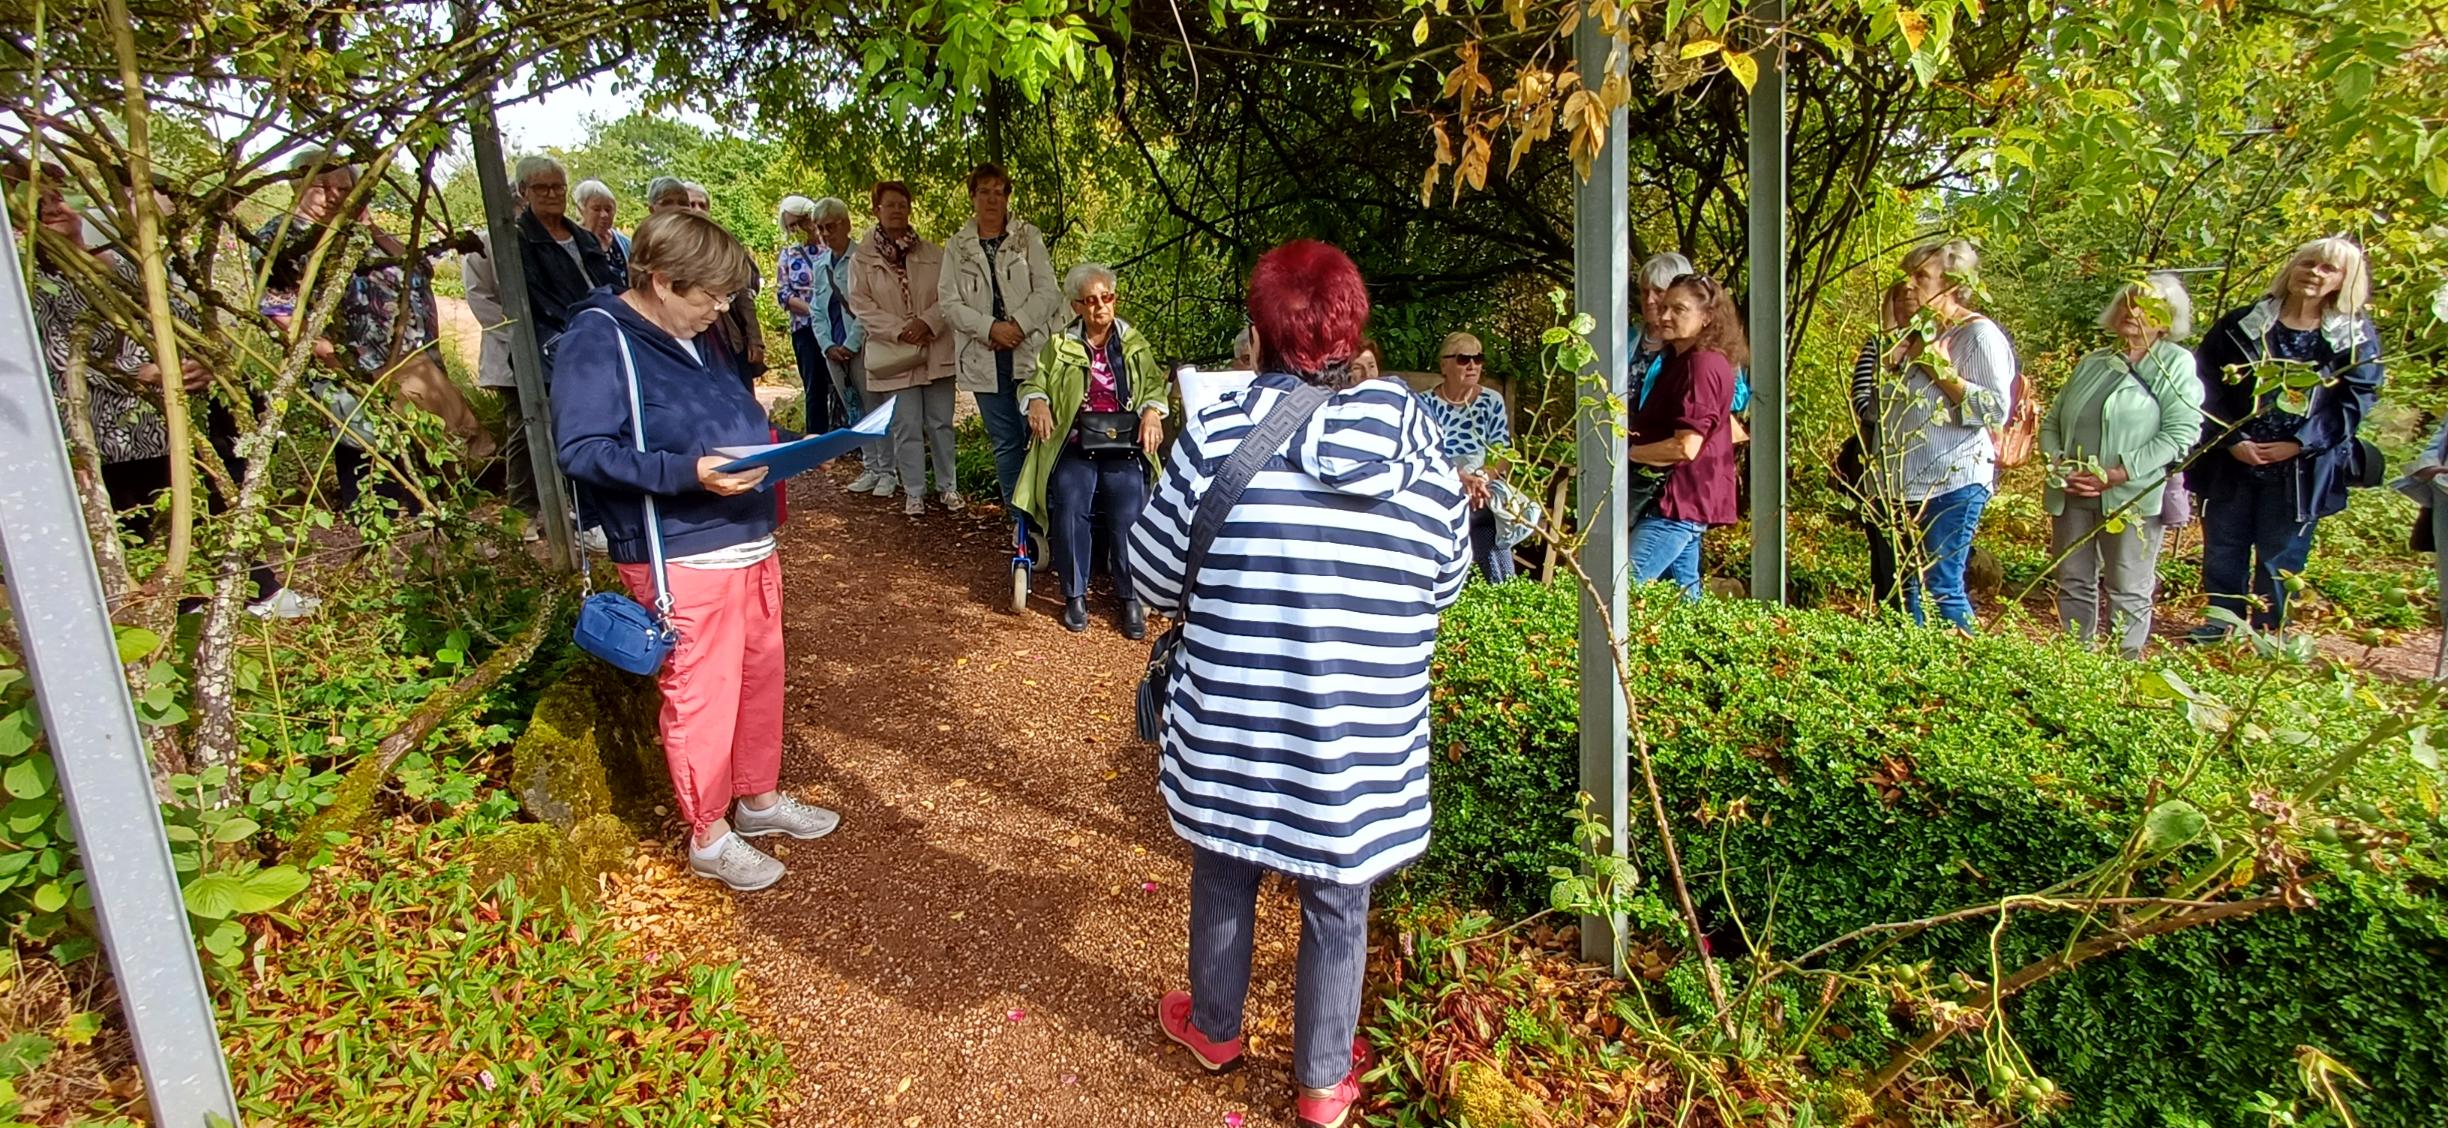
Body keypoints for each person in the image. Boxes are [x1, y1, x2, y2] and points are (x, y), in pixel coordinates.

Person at [1128, 240, 1470, 1128]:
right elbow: (1449, 582)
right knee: (1338, 890)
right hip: (1361, 728)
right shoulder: (1423, 450)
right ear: (1353, 334)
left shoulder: (1215, 432)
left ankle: (1214, 1028)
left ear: (1259, 335)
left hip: (1236, 717)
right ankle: (1321, 1083)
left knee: (1226, 861)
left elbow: (1153, 577)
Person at [551, 209, 839, 891]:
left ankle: (758, 799)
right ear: (659, 279)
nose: (718, 310)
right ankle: (708, 832)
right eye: (706, 296)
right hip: (680, 551)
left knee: (760, 675)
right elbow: (584, 450)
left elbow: (722, 417)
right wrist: (689, 474)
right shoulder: (599, 339)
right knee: (702, 694)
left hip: (747, 539)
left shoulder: (696, 334)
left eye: (724, 296)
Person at [12, 156, 306, 616]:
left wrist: (202, 361)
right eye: (37, 203)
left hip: (169, 418)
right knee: (134, 522)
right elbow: (55, 353)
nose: (53, 209)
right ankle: (167, 610)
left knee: (213, 500)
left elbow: (185, 318)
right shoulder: (28, 280)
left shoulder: (120, 261)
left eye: (58, 198)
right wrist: (140, 370)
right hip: (108, 432)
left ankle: (259, 592)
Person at [256, 149, 489, 508]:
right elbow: (282, 313)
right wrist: (339, 365)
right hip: (357, 371)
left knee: (430, 453)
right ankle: (386, 539)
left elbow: (418, 268)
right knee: (373, 451)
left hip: (413, 364)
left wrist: (371, 227)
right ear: (296, 185)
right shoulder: (282, 238)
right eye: (323, 185)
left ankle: (432, 525)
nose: (335, 195)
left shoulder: (356, 232)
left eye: (344, 187)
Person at [2186, 237, 2383, 639]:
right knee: (2224, 548)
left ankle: (2266, 633)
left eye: (2328, 269)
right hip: (2234, 458)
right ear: (2292, 267)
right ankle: (2222, 624)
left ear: (2345, 281)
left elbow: (2356, 398)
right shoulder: (2244, 323)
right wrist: (2230, 438)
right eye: (2308, 263)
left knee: (2281, 555)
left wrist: (2300, 443)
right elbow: (2203, 382)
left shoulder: (2354, 338)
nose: (2314, 273)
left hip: (2301, 468)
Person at [2040, 274, 2205, 658]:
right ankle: (2074, 663)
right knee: (2072, 579)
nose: (2133, 312)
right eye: (2128, 302)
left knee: (2127, 584)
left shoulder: (2174, 365)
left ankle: (2122, 668)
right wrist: (2059, 463)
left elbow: (2181, 432)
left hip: (2132, 496)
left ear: (2166, 319)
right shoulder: (2094, 362)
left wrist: (2119, 474)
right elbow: (2051, 422)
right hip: (2072, 489)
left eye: (2146, 307)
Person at [1869, 239, 2017, 631]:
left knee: (1942, 587)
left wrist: (1940, 369)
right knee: (1903, 589)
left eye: (1920, 276)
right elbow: (1882, 408)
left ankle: (1973, 674)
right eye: (1906, 276)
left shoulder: (1978, 335)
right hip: (1901, 481)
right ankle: (1918, 672)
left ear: (1953, 283)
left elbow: (1995, 411)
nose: (1908, 286)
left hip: (1953, 480)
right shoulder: (1915, 332)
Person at [1015, 263, 1167, 636]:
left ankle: (1131, 597)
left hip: (1123, 443)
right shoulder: (1059, 345)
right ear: (1076, 307)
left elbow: (1154, 388)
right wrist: (1037, 402)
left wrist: (1151, 413)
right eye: (1092, 300)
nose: (1101, 306)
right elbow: (1033, 382)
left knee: (1129, 504)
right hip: (1076, 443)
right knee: (1069, 502)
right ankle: (1074, 595)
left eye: (1107, 297)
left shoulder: (1133, 343)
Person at [939, 163, 1061, 514]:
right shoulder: (957, 246)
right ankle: (1020, 519)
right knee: (1006, 442)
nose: (992, 199)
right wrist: (990, 328)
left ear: (1007, 197)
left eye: (999, 191)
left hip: (1031, 353)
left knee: (1041, 436)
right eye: (984, 191)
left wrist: (1017, 327)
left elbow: (1048, 292)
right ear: (972, 196)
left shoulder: (1027, 237)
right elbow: (948, 303)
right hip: (983, 355)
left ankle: (1049, 512)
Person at [1625, 274, 1745, 599]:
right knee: (1685, 600)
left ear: (1707, 317)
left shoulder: (1701, 366)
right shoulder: (1684, 359)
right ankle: (1702, 650)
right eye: (1664, 307)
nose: (1664, 316)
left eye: (1678, 309)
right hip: (1685, 503)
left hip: (1676, 504)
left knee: (1619, 592)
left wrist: (1627, 454)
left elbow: (1686, 446)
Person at [846, 180, 958, 516]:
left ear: (910, 209)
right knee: (906, 424)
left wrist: (927, 322)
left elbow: (949, 295)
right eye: (889, 205)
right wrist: (900, 330)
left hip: (935, 347)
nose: (896, 210)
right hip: (894, 353)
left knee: (941, 422)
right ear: (876, 210)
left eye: (902, 204)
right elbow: (861, 305)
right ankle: (914, 491)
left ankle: (948, 487)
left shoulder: (935, 254)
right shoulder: (862, 259)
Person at [1414, 331, 1515, 582]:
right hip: (1442, 482)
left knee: (1490, 510)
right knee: (1461, 506)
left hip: (1484, 484)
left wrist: (1481, 478)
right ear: (1444, 365)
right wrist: (1461, 480)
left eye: (1478, 358)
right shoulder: (1424, 404)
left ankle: (1503, 586)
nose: (1472, 365)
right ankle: (1450, 581)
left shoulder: (1492, 401)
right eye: (1463, 359)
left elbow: (1501, 452)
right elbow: (1425, 454)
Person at [1841, 280, 1918, 608]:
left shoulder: (1942, 345)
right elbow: (1859, 394)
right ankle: (1890, 612)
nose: (1906, 305)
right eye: (1899, 299)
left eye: (1912, 298)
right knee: (1884, 547)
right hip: (1880, 457)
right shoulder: (1878, 344)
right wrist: (1880, 417)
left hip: (1922, 460)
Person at [805, 196, 887, 492]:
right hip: (833, 350)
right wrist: (827, 345)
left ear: (846, 224)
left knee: (874, 407)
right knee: (854, 411)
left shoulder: (863, 259)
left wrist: (851, 344)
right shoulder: (820, 264)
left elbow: (868, 308)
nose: (826, 234)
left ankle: (887, 471)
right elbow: (816, 310)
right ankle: (870, 467)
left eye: (831, 226)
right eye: (821, 228)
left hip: (862, 347)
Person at [512, 156, 621, 350]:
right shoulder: (520, 240)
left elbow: (609, 284)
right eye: (542, 188)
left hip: (605, 332)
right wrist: (587, 327)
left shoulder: (585, 238)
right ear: (523, 191)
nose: (552, 194)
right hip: (564, 343)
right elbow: (543, 303)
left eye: (558, 187)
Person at [774, 196, 842, 433]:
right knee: (815, 388)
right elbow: (783, 294)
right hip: (805, 329)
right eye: (791, 226)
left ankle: (851, 438)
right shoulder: (788, 255)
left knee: (844, 384)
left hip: (836, 326)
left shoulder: (833, 249)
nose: (797, 230)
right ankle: (817, 441)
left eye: (799, 222)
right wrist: (813, 311)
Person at [572, 178, 628, 278]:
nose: (604, 215)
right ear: (581, 210)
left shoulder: (624, 243)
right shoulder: (573, 242)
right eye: (596, 209)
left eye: (608, 209)